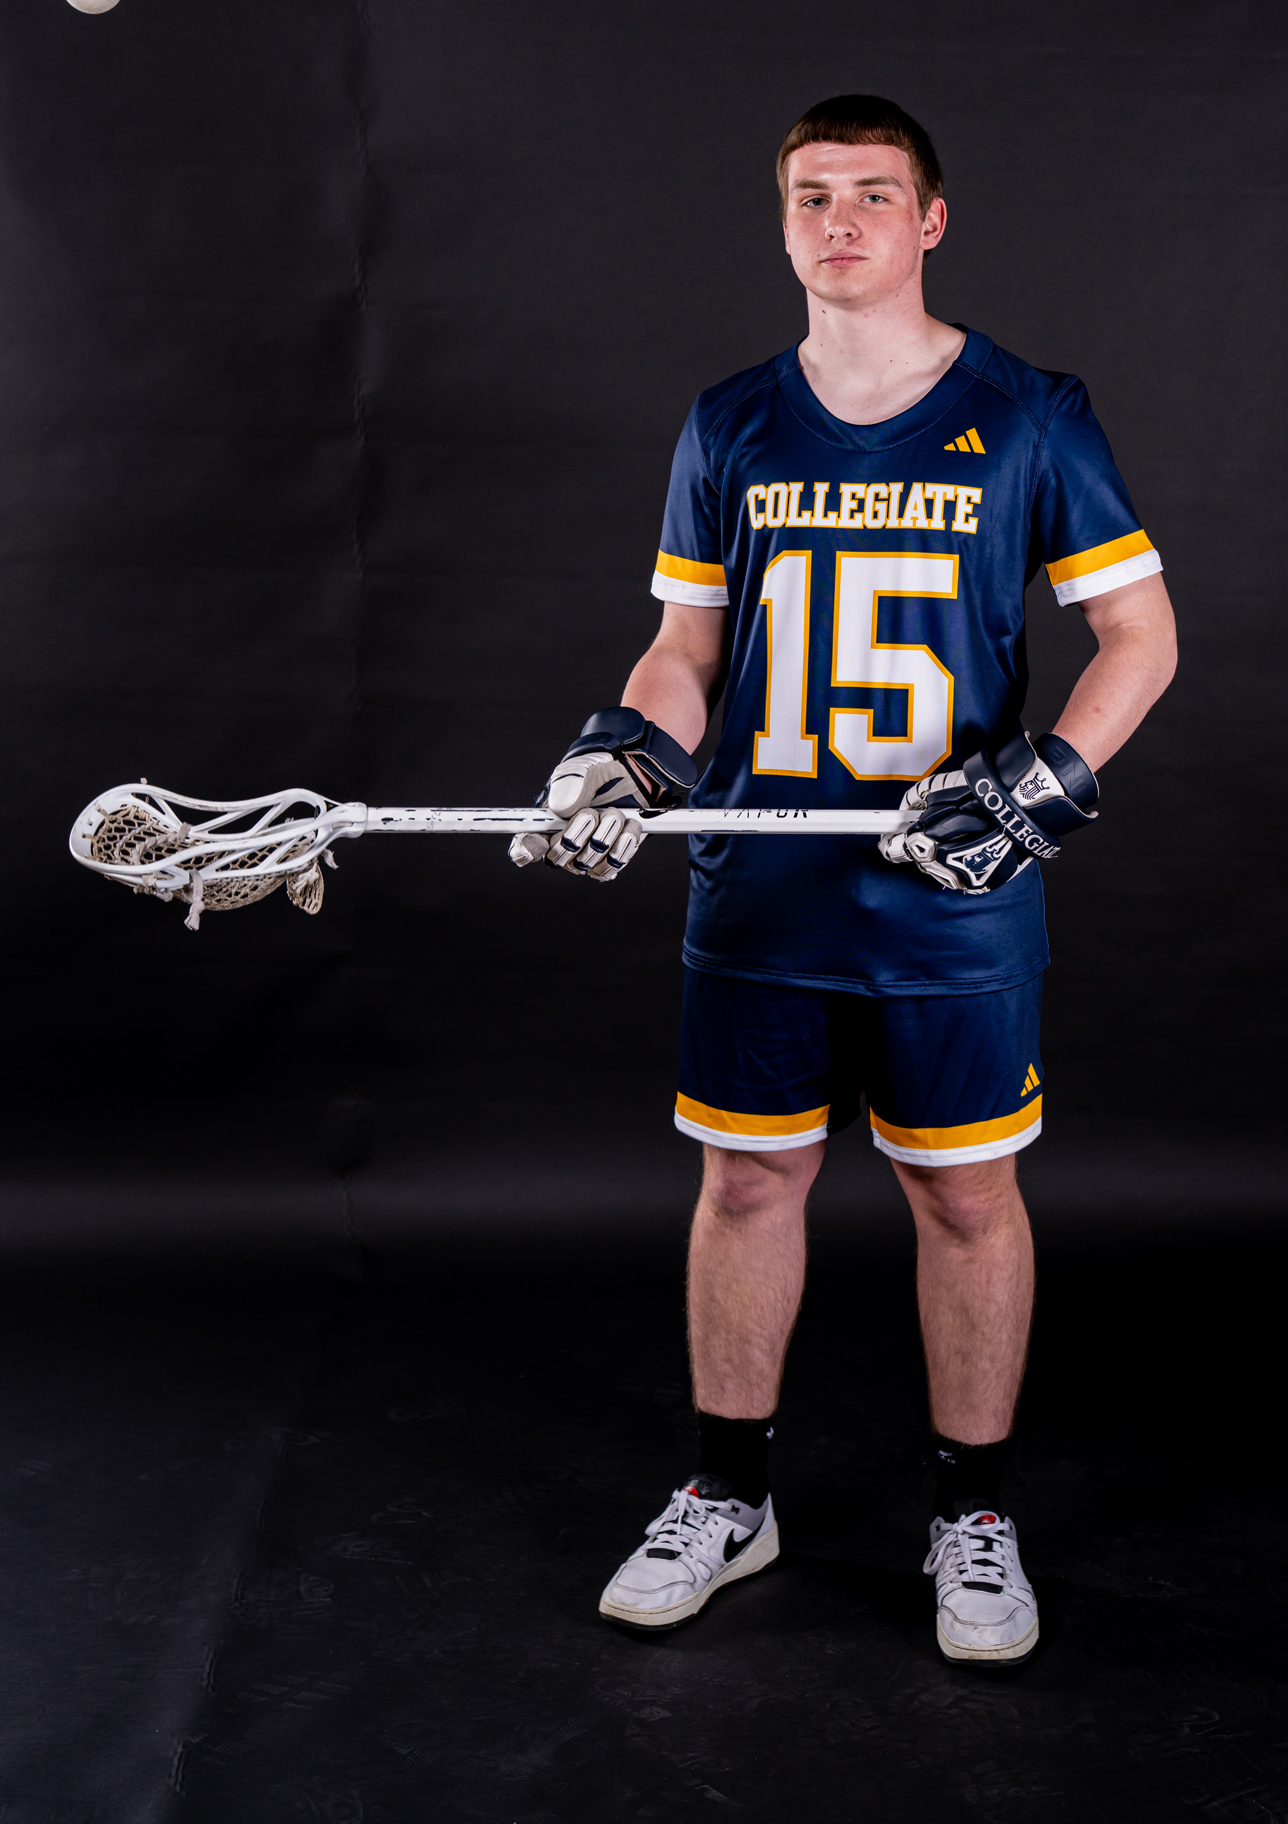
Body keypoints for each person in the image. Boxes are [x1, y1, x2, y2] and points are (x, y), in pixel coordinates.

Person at [510, 94, 1177, 1665]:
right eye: (811, 195)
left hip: (952, 889)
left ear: (929, 220)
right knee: (745, 1183)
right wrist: (624, 758)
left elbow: (1138, 638)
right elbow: (684, 651)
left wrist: (1043, 783)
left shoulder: (1030, 414)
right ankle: (728, 1495)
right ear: (783, 223)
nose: (840, 220)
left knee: (964, 1196)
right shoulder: (729, 421)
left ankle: (972, 1517)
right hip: (759, 884)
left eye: (873, 193)